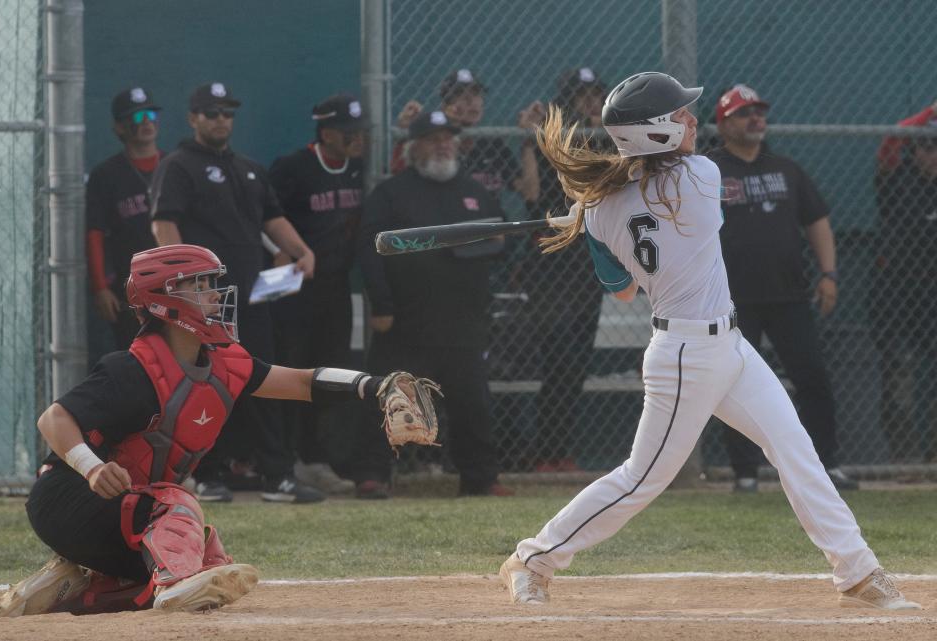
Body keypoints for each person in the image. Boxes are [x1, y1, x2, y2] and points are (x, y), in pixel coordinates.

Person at [498, 72, 919, 611]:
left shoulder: (617, 206)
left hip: (730, 347)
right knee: (640, 480)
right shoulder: (697, 175)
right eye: (678, 116)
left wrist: (594, 219)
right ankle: (532, 560)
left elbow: (624, 290)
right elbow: (654, 222)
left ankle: (859, 571)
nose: (691, 121)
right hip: (684, 359)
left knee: (795, 451)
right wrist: (605, 211)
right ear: (653, 133)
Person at [0, 244, 439, 617]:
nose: (213, 295)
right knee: (178, 508)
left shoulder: (223, 362)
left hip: (117, 510)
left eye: (210, 284)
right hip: (67, 497)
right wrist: (90, 467)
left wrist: (374, 386)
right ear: (164, 300)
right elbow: (54, 418)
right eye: (199, 285)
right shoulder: (132, 369)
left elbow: (302, 381)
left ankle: (75, 592)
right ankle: (171, 584)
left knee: (210, 559)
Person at [150, 82, 321, 504]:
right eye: (211, 113)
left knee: (262, 381)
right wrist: (179, 284)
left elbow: (272, 217)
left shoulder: (247, 167)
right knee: (202, 385)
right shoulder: (178, 165)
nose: (221, 120)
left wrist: (301, 251)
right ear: (193, 118)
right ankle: (206, 475)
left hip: (250, 299)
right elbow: (163, 224)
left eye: (227, 112)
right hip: (202, 302)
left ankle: (277, 476)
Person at [706, 84, 857, 493]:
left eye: (759, 111)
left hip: (789, 296)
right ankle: (746, 473)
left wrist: (829, 274)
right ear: (723, 122)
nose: (755, 118)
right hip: (733, 302)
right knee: (736, 386)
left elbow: (817, 221)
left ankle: (828, 465)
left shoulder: (786, 169)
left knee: (812, 378)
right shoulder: (708, 170)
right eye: (743, 113)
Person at [355, 110, 513, 498]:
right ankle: (373, 475)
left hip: (462, 322)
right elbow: (370, 251)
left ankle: (480, 478)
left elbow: (503, 240)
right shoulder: (392, 194)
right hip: (406, 323)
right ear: (413, 147)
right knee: (389, 397)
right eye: (432, 138)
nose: (443, 145)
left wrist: (466, 254)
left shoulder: (475, 193)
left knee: (471, 403)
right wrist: (382, 305)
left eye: (448, 138)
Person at [267, 94, 366, 494]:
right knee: (293, 372)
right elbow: (266, 214)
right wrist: (279, 254)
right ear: (326, 133)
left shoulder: (357, 169)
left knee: (332, 372)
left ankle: (317, 458)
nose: (358, 139)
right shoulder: (294, 168)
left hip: (337, 287)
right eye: (349, 132)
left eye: (361, 131)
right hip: (296, 288)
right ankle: (285, 459)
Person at [517, 67, 609, 472]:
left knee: (577, 361)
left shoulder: (607, 140)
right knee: (557, 358)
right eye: (581, 95)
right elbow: (534, 194)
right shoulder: (551, 138)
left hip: (587, 261)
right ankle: (544, 449)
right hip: (553, 260)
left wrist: (600, 129)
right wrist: (530, 134)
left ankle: (560, 449)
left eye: (595, 94)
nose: (589, 101)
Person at [873, 106, 937, 463]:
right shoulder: (897, 177)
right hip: (895, 289)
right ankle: (907, 458)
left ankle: (934, 458)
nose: (932, 154)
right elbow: (891, 138)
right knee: (900, 375)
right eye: (926, 146)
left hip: (933, 291)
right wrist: (929, 112)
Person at [86, 87, 162, 350]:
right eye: (138, 117)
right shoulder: (106, 174)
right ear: (119, 127)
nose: (148, 122)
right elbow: (94, 233)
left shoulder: (175, 166)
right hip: (132, 289)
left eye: (151, 114)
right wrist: (100, 287)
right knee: (141, 359)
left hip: (177, 284)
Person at [392, 68, 540, 202]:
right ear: (445, 106)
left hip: (492, 222)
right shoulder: (439, 146)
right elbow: (402, 186)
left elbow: (530, 193)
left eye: (476, 93)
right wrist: (405, 134)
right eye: (460, 94)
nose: (471, 101)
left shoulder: (493, 144)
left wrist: (527, 141)